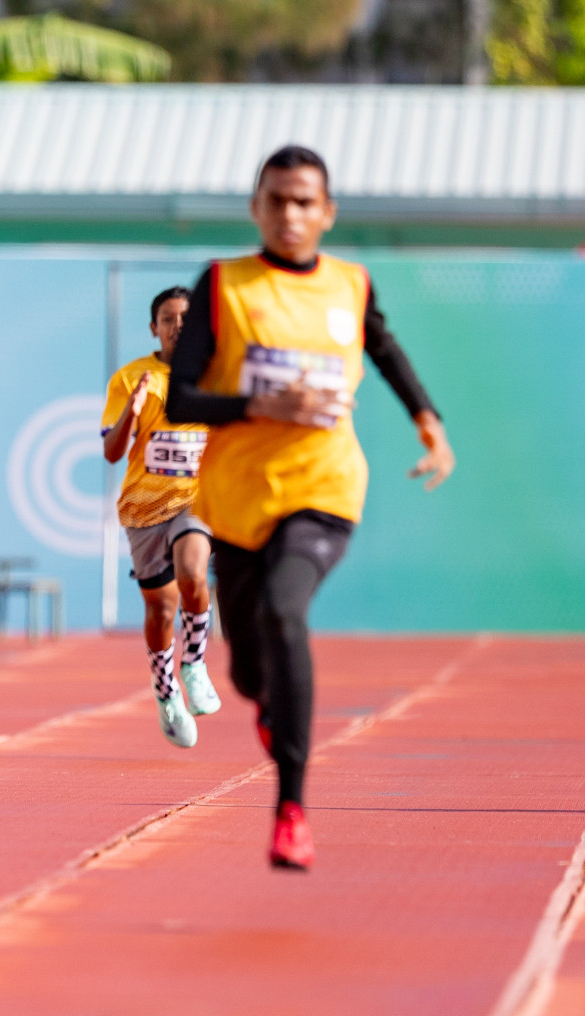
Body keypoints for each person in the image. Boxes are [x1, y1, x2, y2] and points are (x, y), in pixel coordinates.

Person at [168, 145, 455, 870]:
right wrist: (263, 402)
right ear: (256, 209)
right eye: (277, 201)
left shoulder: (350, 286)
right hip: (236, 502)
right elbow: (183, 398)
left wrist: (430, 421)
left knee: (284, 610)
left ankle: (291, 807)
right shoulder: (222, 285)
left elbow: (384, 351)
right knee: (244, 676)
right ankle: (269, 704)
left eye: (305, 202)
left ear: (327, 213)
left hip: (324, 490)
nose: (291, 214)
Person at [102, 287, 221, 749]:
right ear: (154, 327)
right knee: (161, 608)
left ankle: (192, 665)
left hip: (194, 500)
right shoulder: (132, 378)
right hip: (144, 507)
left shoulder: (213, 375)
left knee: (193, 572)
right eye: (167, 318)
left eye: (185, 318)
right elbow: (112, 453)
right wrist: (131, 414)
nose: (177, 326)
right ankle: (165, 691)